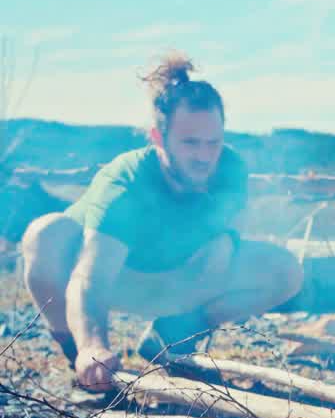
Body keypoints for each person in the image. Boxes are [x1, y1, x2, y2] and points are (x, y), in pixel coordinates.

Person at [20, 53, 303, 392]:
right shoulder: (126, 180)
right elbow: (90, 278)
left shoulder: (231, 170)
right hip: (114, 277)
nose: (203, 155)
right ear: (158, 138)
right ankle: (85, 370)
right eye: (190, 143)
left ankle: (171, 338)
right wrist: (92, 345)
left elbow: (224, 250)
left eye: (213, 142)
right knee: (45, 234)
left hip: (175, 280)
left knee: (285, 270)